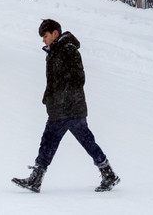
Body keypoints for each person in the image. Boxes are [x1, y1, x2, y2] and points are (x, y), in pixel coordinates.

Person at [13, 19, 120, 194]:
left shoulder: (68, 50)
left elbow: (78, 78)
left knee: (50, 141)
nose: (43, 40)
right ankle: (108, 173)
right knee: (83, 141)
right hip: (63, 107)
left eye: (45, 36)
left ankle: (36, 178)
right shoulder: (54, 51)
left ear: (55, 33)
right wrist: (50, 96)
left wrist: (62, 95)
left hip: (68, 107)